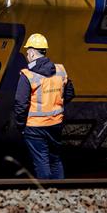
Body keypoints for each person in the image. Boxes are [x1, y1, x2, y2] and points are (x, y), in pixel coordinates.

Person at [14, 33, 75, 179]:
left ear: (33, 52)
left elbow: (20, 103)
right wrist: (55, 104)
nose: (27, 55)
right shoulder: (60, 70)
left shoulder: (27, 75)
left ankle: (47, 194)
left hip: (34, 127)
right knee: (55, 160)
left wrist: (21, 126)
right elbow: (70, 93)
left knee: (41, 161)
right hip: (56, 124)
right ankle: (59, 192)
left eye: (28, 52)